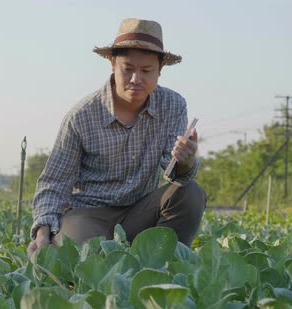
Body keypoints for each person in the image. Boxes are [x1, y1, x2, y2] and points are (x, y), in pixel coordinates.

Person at [27, 18, 207, 258]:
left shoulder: (173, 105)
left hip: (140, 211)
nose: (136, 79)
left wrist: (185, 162)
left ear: (160, 68)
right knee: (89, 260)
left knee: (190, 193)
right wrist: (42, 232)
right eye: (128, 69)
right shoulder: (82, 115)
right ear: (112, 63)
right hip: (89, 214)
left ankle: (162, 268)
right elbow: (54, 182)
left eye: (146, 71)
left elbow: (172, 170)